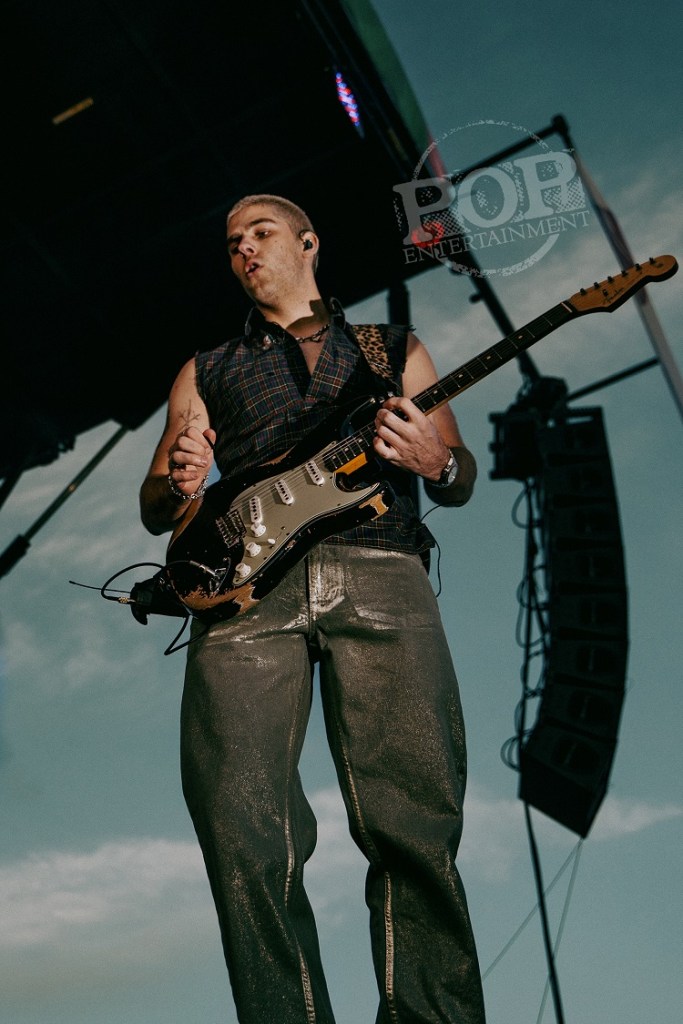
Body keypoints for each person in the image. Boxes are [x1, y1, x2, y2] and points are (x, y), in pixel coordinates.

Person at [139, 194, 486, 1024]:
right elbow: (156, 504)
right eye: (232, 242)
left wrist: (434, 460)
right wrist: (178, 479)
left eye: (260, 233)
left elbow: (459, 473)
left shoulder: (392, 347)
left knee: (413, 816)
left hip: (380, 565)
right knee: (241, 826)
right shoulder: (206, 368)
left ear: (307, 243)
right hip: (242, 596)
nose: (244, 248)